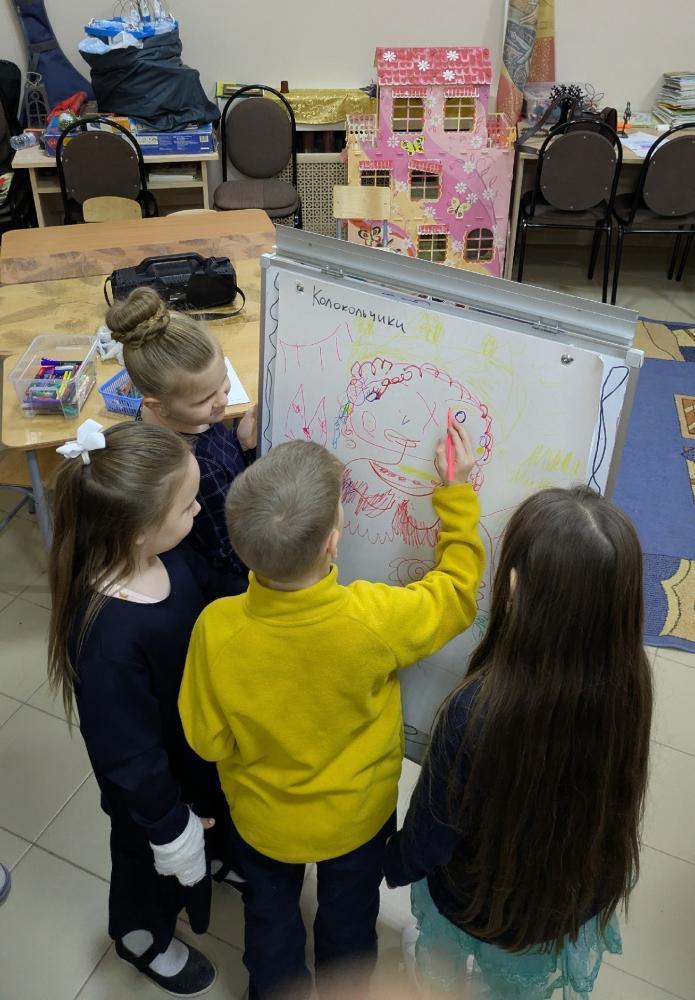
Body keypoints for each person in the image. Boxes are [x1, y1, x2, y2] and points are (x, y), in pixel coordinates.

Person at [179, 421, 485, 999]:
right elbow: (456, 591)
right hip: (357, 819)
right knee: (349, 920)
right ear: (333, 543)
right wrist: (457, 495)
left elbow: (207, 740)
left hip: (264, 822)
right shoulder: (373, 617)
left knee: (269, 920)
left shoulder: (215, 628)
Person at [383, 486, 653, 999]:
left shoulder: (474, 710)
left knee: (441, 970)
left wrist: (393, 863)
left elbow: (431, 834)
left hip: (473, 903)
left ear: (513, 584)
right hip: (565, 901)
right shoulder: (629, 681)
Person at [47, 419, 238, 998]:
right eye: (188, 506)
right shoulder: (108, 639)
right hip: (153, 792)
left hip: (196, 752)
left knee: (215, 819)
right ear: (136, 532)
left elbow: (213, 592)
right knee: (148, 868)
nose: (199, 512)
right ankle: (140, 937)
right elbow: (129, 755)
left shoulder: (169, 557)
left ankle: (214, 859)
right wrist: (170, 825)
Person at [106, 287, 256, 597]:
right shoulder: (200, 468)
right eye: (204, 398)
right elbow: (228, 550)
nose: (223, 400)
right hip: (225, 575)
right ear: (157, 405)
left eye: (223, 381)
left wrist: (238, 442)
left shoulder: (171, 418)